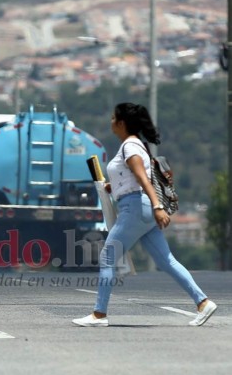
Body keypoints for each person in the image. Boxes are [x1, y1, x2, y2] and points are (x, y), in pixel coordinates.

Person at [72, 102, 217, 327]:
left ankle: (99, 315)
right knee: (166, 260)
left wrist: (158, 207)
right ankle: (202, 302)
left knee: (108, 257)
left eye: (113, 118)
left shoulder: (130, 146)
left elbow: (141, 178)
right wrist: (115, 186)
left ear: (121, 123)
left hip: (137, 207)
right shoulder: (137, 145)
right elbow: (133, 177)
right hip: (142, 207)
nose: (110, 121)